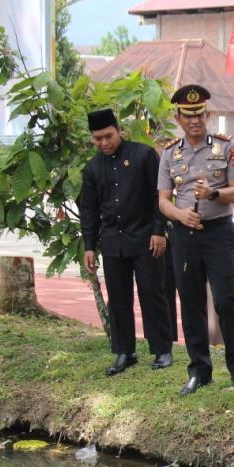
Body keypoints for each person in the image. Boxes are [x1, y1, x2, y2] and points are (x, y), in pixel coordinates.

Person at [157, 84, 234, 395]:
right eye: (188, 115)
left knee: (225, 299)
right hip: (186, 235)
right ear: (178, 117)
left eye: (200, 114)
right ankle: (199, 370)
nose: (195, 120)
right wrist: (180, 215)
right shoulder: (170, 153)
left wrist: (213, 193)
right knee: (191, 301)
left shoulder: (227, 147)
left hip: (219, 232)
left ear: (208, 114)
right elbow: (163, 200)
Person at [79, 109, 173, 376]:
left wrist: (158, 230)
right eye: (97, 139)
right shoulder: (93, 168)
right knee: (118, 300)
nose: (104, 143)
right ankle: (124, 352)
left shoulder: (143, 155)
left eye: (108, 136)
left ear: (119, 130)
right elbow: (89, 209)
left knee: (152, 294)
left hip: (146, 238)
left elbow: (160, 195)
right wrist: (89, 245)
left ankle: (162, 349)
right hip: (112, 242)